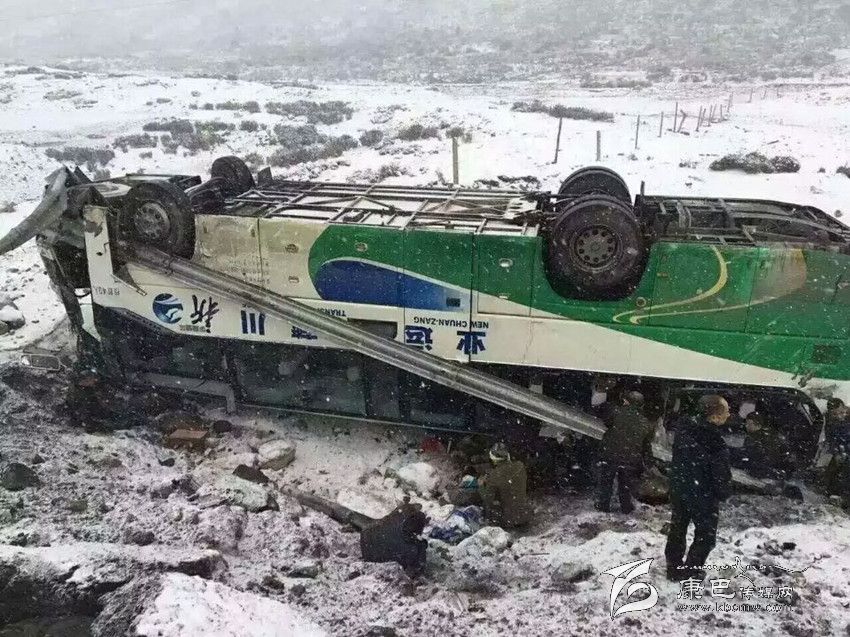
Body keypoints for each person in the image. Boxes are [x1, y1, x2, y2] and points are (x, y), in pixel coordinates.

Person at [665, 394, 732, 581]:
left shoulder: (684, 429)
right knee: (705, 536)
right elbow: (721, 475)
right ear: (715, 417)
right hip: (703, 495)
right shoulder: (716, 443)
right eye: (726, 411)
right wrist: (723, 492)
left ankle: (673, 568)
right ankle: (691, 570)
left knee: (678, 528)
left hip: (680, 489)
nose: (729, 414)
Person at [595, 390, 654, 514]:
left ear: (627, 401)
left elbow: (606, 422)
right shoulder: (645, 422)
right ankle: (626, 507)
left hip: (611, 454)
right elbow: (646, 445)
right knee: (625, 485)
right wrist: (648, 462)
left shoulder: (616, 412)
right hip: (631, 458)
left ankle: (603, 506)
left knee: (606, 483)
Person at [479, 442, 530, 528]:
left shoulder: (494, 476)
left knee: (487, 506)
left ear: (493, 459)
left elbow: (487, 499)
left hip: (509, 520)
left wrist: (481, 485)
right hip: (525, 515)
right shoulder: (520, 465)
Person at [740, 411, 793, 480]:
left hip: (767, 466)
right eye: (746, 423)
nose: (747, 426)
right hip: (772, 466)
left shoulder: (758, 437)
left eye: (750, 424)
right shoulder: (765, 434)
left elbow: (761, 456)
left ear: (758, 426)